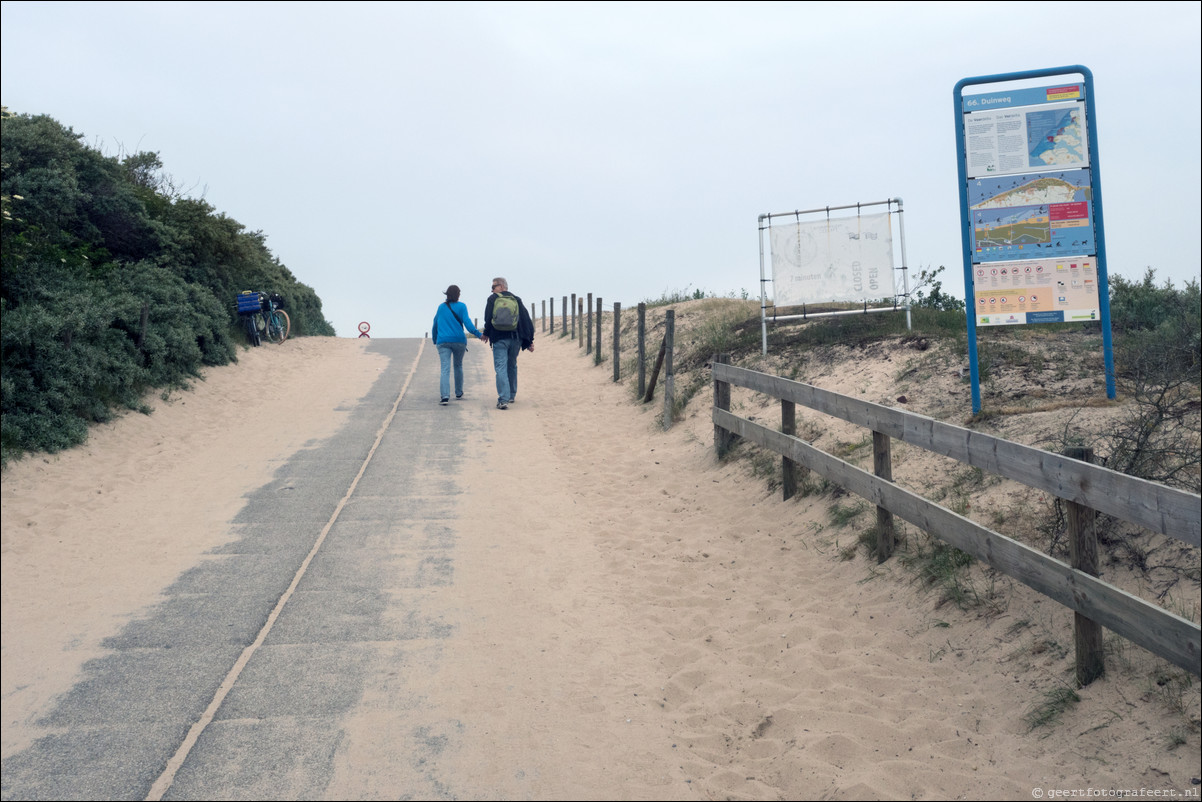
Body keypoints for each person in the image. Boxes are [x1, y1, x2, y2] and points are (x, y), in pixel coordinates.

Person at [480, 276, 534, 410]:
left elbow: (488, 318)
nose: (492, 290)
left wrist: (486, 333)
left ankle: (503, 399)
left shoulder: (492, 299)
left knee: (501, 368)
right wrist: (529, 341)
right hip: (515, 339)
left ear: (502, 287)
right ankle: (511, 395)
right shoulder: (516, 299)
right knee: (512, 365)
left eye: (494, 287)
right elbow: (526, 320)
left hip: (499, 338)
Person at [431, 284, 483, 405]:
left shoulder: (441, 307)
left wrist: (435, 339)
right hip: (459, 341)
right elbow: (468, 323)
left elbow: (435, 325)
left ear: (447, 294)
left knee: (445, 368)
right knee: (458, 365)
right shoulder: (462, 306)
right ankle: (458, 392)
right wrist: (479, 334)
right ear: (458, 295)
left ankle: (445, 396)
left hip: (443, 341)